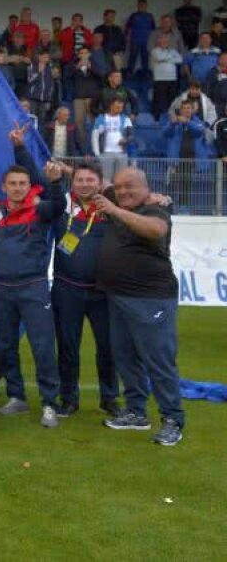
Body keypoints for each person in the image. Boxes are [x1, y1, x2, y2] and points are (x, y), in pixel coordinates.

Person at [93, 168, 184, 446]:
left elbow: (156, 231)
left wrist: (114, 210)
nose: (122, 192)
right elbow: (91, 178)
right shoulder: (118, 199)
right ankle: (136, 412)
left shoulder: (154, 210)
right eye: (119, 188)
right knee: (125, 358)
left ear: (146, 187)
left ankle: (172, 419)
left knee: (158, 361)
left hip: (150, 299)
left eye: (129, 187)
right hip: (117, 297)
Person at [0, 128, 66, 427]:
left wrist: (22, 150)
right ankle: (17, 397)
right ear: (3, 187)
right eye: (12, 184)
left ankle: (49, 403)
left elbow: (58, 203)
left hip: (33, 288)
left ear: (28, 185)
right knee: (6, 345)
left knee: (42, 346)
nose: (18, 188)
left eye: (23, 183)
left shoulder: (41, 209)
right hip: (2, 288)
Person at [51, 161, 120, 417]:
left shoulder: (111, 207)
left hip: (103, 292)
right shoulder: (61, 204)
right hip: (66, 289)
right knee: (68, 347)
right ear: (72, 182)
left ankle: (110, 398)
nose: (84, 184)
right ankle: (68, 399)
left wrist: (162, 198)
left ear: (101, 183)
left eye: (91, 179)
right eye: (80, 180)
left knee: (108, 347)